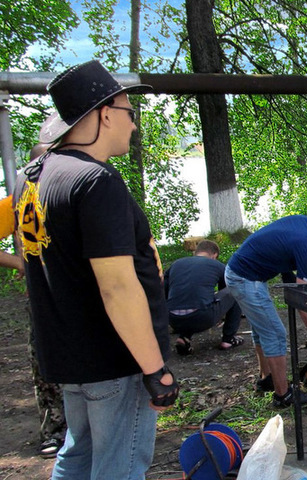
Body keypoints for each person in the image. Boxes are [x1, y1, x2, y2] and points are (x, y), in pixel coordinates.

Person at [12, 60, 179, 479]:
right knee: (117, 467)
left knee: (78, 455)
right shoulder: (94, 180)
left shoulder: (34, 175)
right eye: (129, 113)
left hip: (69, 353)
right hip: (113, 359)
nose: (134, 126)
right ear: (105, 113)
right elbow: (118, 289)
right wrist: (155, 369)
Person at [224, 215, 307, 407]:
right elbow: (305, 306)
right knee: (275, 334)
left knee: (263, 330)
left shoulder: (306, 223)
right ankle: (283, 396)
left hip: (240, 271)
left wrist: (290, 279)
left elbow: (282, 247)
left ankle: (266, 379)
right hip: (245, 278)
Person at [2, 145, 68, 459]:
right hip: (42, 298)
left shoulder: (74, 188)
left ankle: (82, 431)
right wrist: (21, 264)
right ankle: (54, 431)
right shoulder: (19, 197)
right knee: (44, 363)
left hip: (78, 294)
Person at [165, 239, 244, 354]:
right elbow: (226, 290)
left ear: (196, 252)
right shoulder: (216, 265)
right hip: (202, 317)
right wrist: (220, 314)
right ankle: (228, 339)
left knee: (189, 299)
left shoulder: (176, 264)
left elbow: (164, 292)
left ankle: (184, 337)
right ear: (214, 255)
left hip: (173, 319)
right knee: (235, 289)